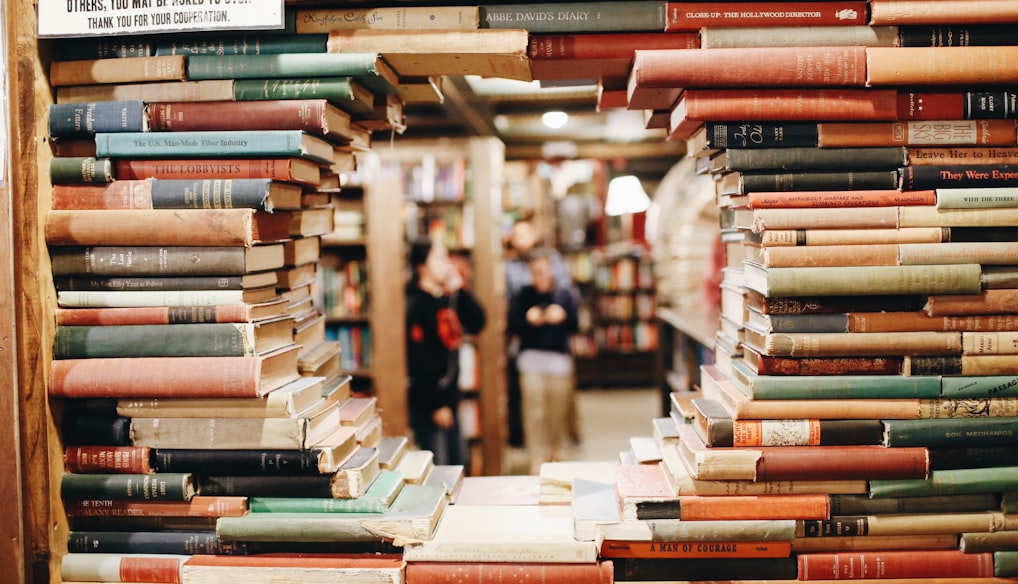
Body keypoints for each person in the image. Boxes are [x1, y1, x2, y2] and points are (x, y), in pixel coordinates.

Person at [405, 237, 487, 467]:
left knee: (460, 465)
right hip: (429, 404)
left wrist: (461, 288)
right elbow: (418, 359)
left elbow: (478, 322)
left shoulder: (446, 299)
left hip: (450, 401)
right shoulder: (414, 303)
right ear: (422, 265)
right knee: (440, 470)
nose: (446, 264)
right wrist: (436, 404)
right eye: (439, 258)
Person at [504, 216, 582, 450]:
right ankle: (537, 455)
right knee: (534, 410)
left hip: (558, 357)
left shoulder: (563, 291)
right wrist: (529, 319)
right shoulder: (518, 285)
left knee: (557, 409)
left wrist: (563, 315)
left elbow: (574, 320)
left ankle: (556, 450)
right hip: (530, 357)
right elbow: (513, 320)